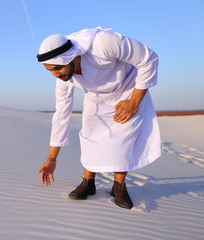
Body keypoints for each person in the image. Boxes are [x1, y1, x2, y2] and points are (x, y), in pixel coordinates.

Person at [37, 27, 161, 209]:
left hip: (127, 88)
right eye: (50, 71)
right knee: (89, 134)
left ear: (71, 57)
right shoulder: (63, 78)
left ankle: (118, 186)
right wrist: (51, 159)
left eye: (58, 68)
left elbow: (149, 58)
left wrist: (134, 102)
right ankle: (89, 183)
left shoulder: (104, 42)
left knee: (124, 138)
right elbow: (61, 114)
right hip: (96, 94)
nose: (56, 74)